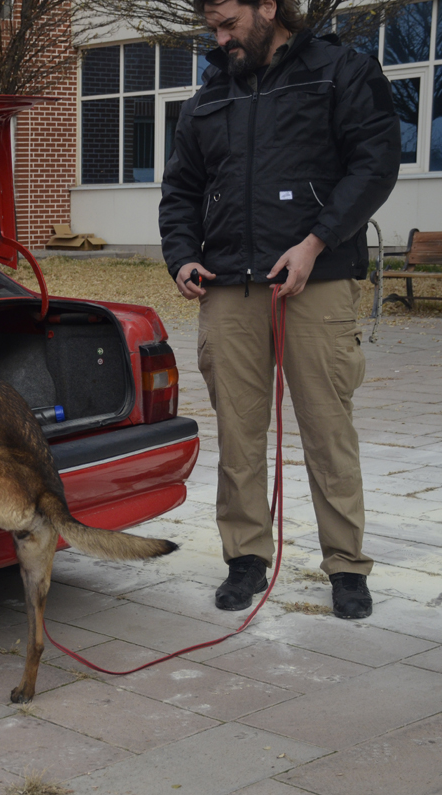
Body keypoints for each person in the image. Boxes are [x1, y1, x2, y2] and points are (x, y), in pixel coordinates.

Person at [159, 0, 400, 618]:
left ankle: (346, 566)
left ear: (268, 7)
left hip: (316, 279)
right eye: (212, 27)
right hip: (228, 286)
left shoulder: (341, 70)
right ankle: (245, 559)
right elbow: (180, 188)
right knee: (238, 433)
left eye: (229, 24)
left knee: (327, 430)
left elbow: (375, 165)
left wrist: (316, 241)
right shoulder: (209, 95)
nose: (220, 38)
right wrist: (183, 256)